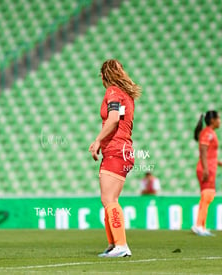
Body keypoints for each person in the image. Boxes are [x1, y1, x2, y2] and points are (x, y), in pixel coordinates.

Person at [89, 59, 141, 257]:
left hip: (116, 149)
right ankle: (113, 245)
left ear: (104, 76)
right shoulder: (125, 94)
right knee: (108, 199)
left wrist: (97, 141)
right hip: (123, 150)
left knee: (110, 199)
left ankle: (121, 245)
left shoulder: (112, 91)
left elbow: (112, 120)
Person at [192, 110, 222, 236]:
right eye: (219, 118)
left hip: (210, 167)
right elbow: (203, 151)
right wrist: (206, 168)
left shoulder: (210, 133)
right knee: (207, 195)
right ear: (213, 120)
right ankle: (198, 225)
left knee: (207, 196)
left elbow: (210, 153)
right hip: (206, 168)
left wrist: (218, 162)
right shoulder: (207, 133)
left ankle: (201, 226)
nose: (220, 121)